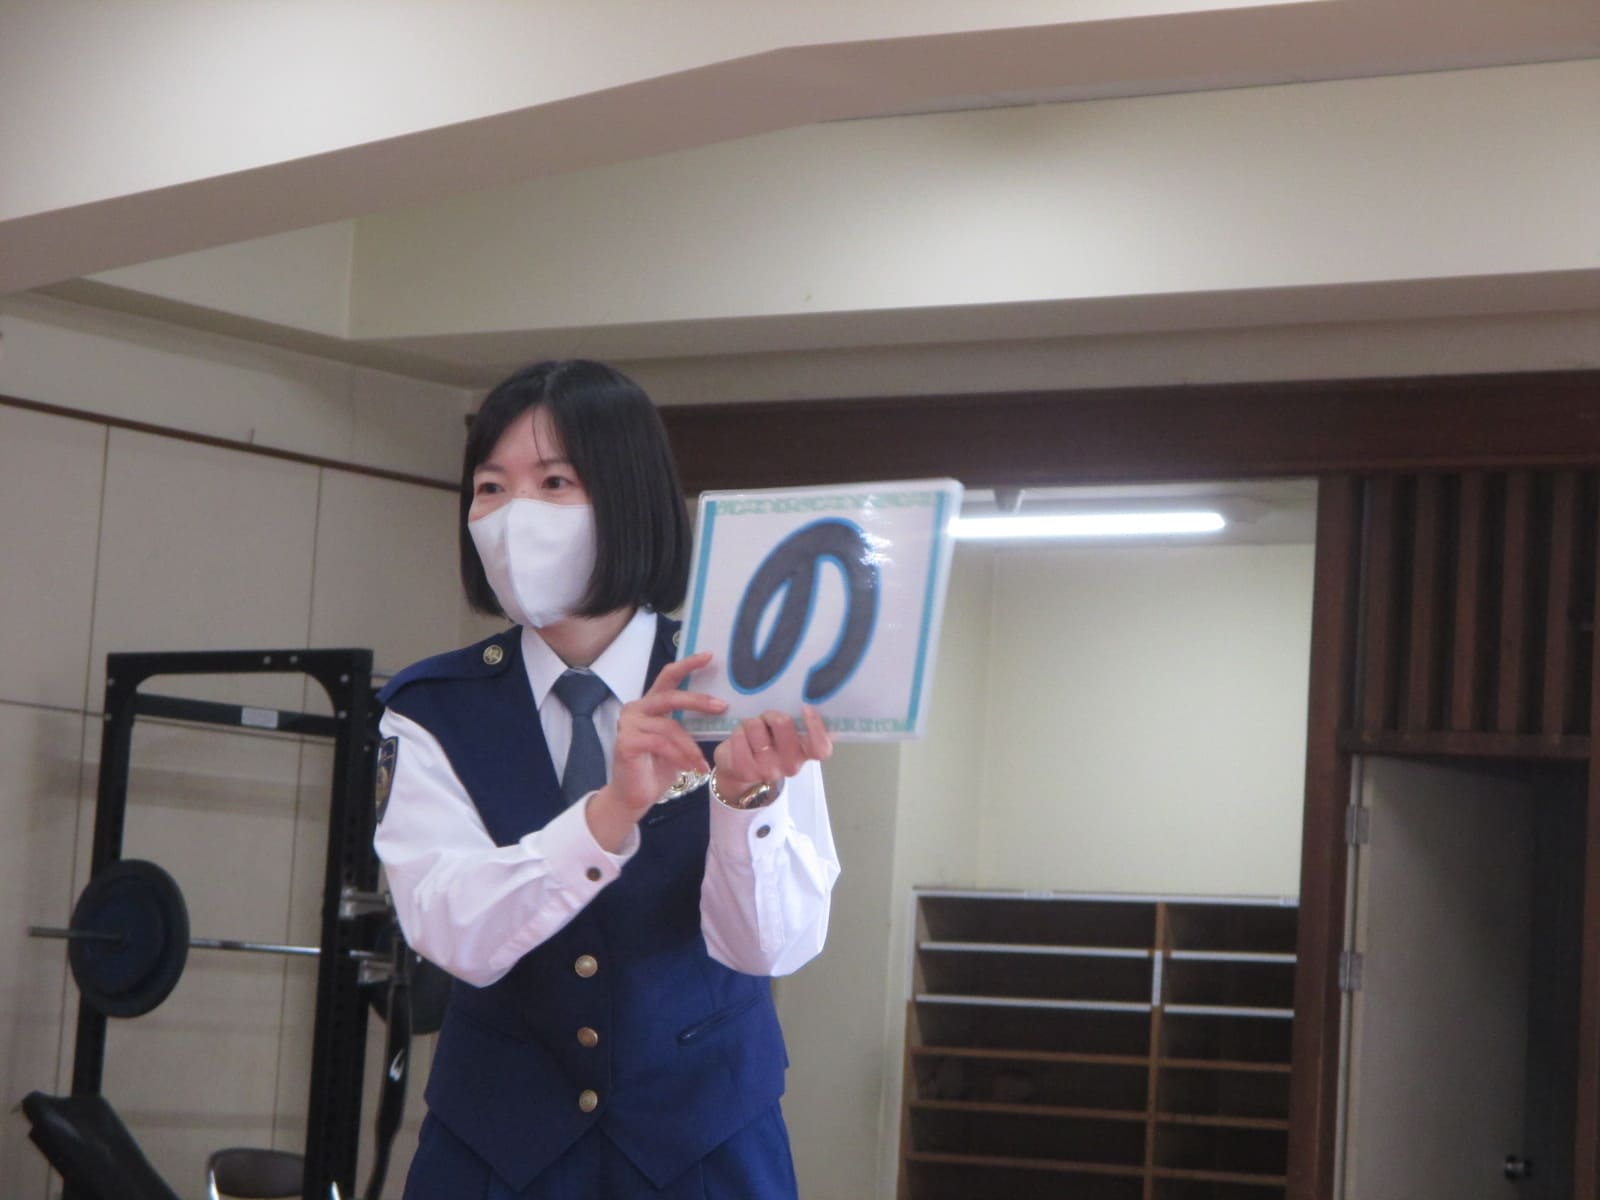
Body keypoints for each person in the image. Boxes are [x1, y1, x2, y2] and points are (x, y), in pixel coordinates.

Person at [373, 359, 839, 1200]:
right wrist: (608, 813)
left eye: (554, 482)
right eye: (490, 489)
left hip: (705, 1143)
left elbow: (772, 947)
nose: (514, 517)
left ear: (628, 499)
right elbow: (449, 931)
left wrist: (747, 802)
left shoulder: (741, 685)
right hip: (494, 1148)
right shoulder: (433, 707)